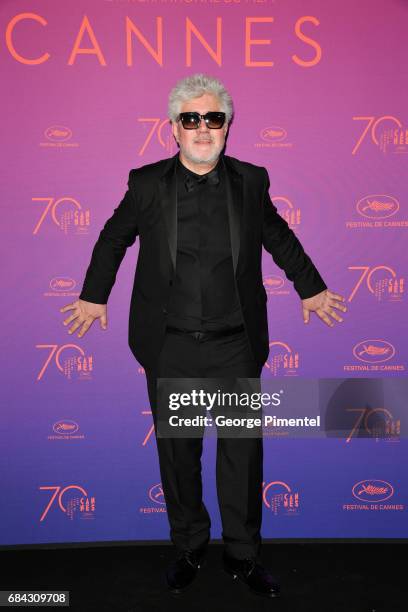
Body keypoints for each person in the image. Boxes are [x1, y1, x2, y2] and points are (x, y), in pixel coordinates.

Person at [60, 73, 347, 597]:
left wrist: (311, 288)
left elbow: (277, 234)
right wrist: (94, 294)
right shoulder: (147, 184)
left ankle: (242, 555)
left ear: (227, 127)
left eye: (213, 118)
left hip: (235, 343)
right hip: (169, 345)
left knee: (241, 454)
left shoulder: (250, 180)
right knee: (179, 455)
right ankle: (189, 547)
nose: (202, 128)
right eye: (191, 118)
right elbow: (113, 237)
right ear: (173, 128)